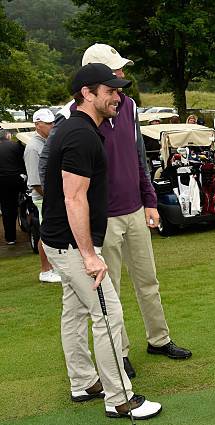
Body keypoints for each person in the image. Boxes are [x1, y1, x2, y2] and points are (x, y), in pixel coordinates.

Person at [40, 43, 192, 379]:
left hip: (135, 209)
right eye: (114, 73)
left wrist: (149, 199)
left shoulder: (129, 106)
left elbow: (139, 156)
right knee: (112, 291)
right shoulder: (71, 116)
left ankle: (159, 339)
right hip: (100, 218)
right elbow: (49, 166)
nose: (122, 77)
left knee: (148, 281)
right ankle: (119, 354)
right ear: (92, 82)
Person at [41, 63, 162, 419]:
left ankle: (82, 381)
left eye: (118, 90)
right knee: (108, 313)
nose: (118, 96)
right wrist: (89, 255)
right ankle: (120, 398)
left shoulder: (81, 129)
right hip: (71, 244)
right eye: (109, 91)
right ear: (87, 94)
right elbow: (73, 198)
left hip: (61, 241)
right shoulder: (80, 135)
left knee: (75, 311)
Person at [23, 108, 61, 282]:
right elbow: (35, 181)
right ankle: (45, 271)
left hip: (51, 195)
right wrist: (51, 199)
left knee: (52, 232)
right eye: (48, 124)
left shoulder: (48, 142)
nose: (52, 126)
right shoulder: (32, 147)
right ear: (37, 125)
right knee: (46, 234)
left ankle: (54, 268)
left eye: (53, 123)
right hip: (42, 198)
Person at [0, 127, 25, 245]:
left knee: (6, 208)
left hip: (3, 181)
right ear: (8, 136)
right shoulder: (16, 146)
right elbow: (23, 162)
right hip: (16, 180)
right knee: (13, 207)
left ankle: (10, 237)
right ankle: (13, 235)